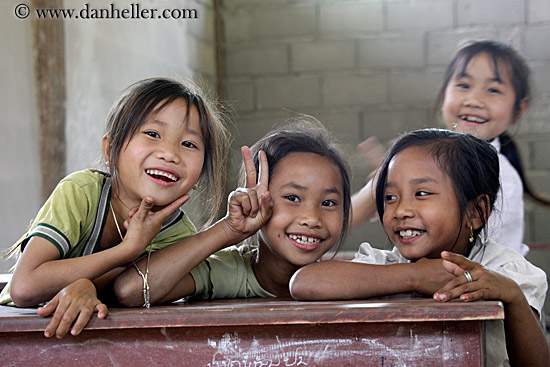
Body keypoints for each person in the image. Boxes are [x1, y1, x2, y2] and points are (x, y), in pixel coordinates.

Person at [290, 129, 549, 367]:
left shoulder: (502, 271)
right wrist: (415, 277)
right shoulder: (384, 265)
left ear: (475, 212)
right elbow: (304, 282)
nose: (400, 211)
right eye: (390, 197)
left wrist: (513, 298)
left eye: (422, 194)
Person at [0, 77, 230, 338]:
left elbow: (126, 291)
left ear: (198, 176)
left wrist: (87, 287)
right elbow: (24, 287)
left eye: (188, 144)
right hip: (17, 335)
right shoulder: (82, 192)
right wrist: (127, 250)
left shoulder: (179, 236)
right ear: (111, 149)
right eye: (153, 134)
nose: (169, 154)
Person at [113, 117, 351, 305]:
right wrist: (228, 229)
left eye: (329, 203)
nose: (311, 219)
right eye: (292, 197)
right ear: (257, 198)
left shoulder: (351, 279)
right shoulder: (228, 272)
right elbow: (129, 291)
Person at [351, 40, 550, 256]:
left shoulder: (503, 179)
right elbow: (348, 216)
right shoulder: (423, 159)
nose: (474, 100)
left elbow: (468, 265)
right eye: (464, 85)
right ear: (444, 93)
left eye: (493, 90)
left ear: (519, 110)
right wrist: (383, 182)